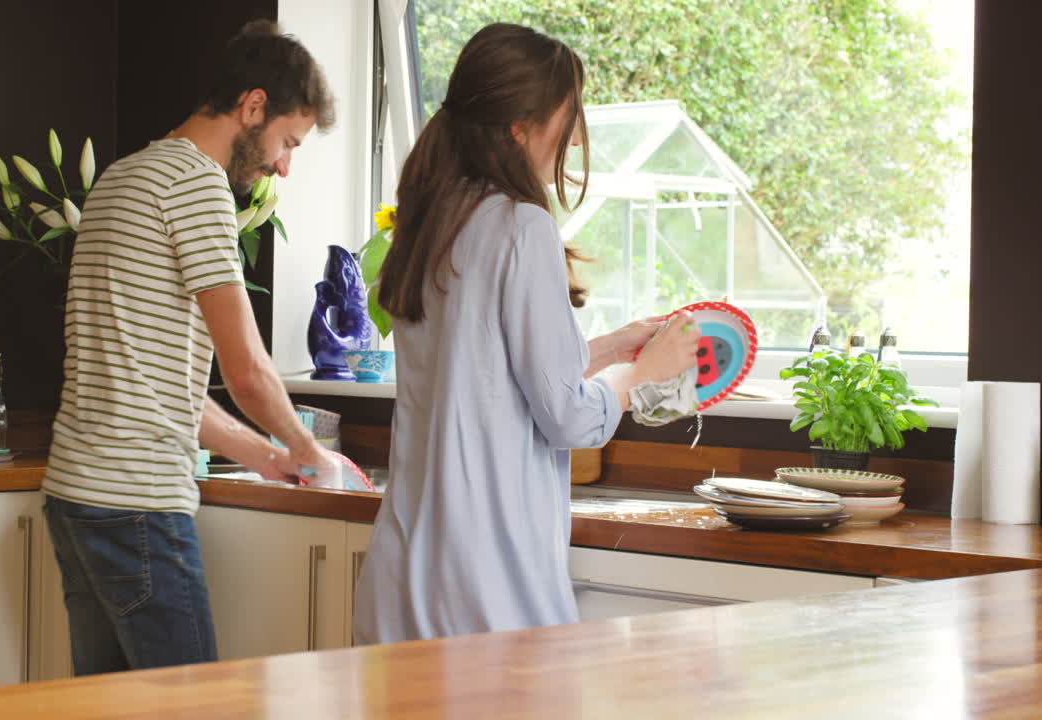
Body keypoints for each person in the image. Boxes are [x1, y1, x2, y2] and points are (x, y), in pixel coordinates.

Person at [352, 23, 701, 644]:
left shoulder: (432, 222)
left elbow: (484, 371)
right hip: (486, 582)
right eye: (565, 123)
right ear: (519, 128)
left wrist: (608, 348)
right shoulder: (520, 227)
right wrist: (639, 376)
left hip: (403, 570)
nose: (567, 143)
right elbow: (568, 417)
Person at [41, 20, 338, 675]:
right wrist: (311, 451)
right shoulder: (197, 185)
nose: (284, 165)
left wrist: (268, 456)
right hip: (138, 502)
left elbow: (153, 385)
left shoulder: (123, 178)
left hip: (76, 497)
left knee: (104, 708)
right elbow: (249, 371)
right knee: (196, 704)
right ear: (252, 106)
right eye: (287, 141)